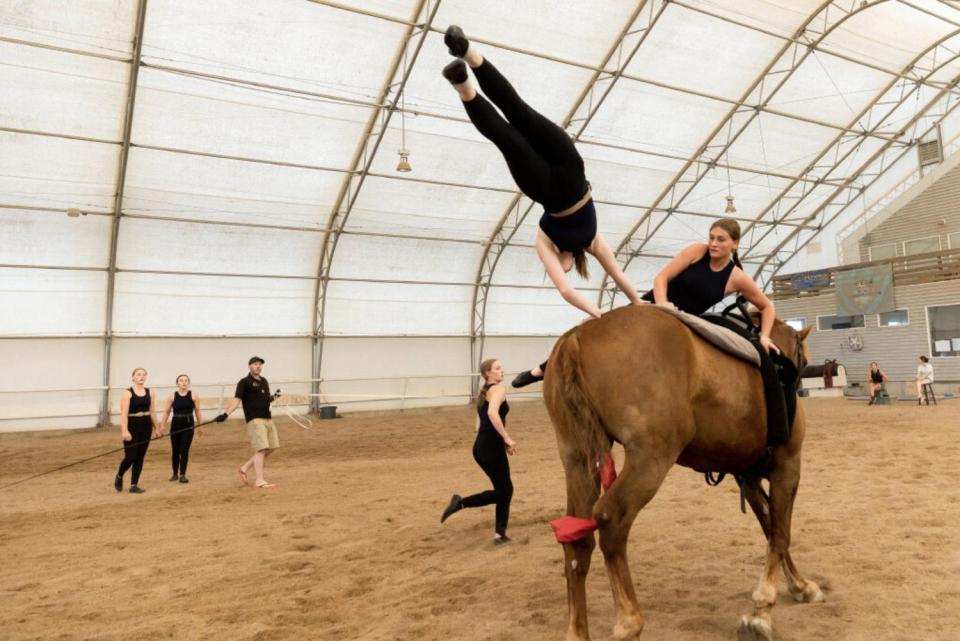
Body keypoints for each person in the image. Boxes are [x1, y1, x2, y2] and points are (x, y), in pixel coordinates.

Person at [441, 25, 644, 324]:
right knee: (520, 113)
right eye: (566, 266)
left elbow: (564, 288)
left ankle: (463, 87)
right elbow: (618, 276)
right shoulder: (593, 242)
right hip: (571, 167)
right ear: (574, 262)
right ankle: (468, 50)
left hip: (546, 188)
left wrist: (597, 313)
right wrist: (638, 303)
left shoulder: (545, 241)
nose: (560, 268)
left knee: (508, 140)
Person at [513, 218, 780, 387]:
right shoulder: (696, 252)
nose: (713, 243)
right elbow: (661, 277)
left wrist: (765, 336)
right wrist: (662, 306)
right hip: (651, 307)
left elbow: (767, 306)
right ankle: (542, 369)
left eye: (720, 240)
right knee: (592, 326)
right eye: (711, 237)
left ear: (734, 244)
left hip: (687, 323)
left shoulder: (737, 278)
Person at [440, 358, 516, 544]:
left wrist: (499, 439)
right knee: (505, 491)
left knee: (504, 489)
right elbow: (492, 414)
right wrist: (506, 438)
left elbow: (478, 425)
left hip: (481, 447)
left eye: (501, 367)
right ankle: (461, 502)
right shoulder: (498, 390)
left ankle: (500, 534)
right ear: (487, 373)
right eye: (497, 368)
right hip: (490, 447)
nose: (502, 371)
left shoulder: (484, 393)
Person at [216, 356, 279, 489]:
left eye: (260, 364)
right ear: (249, 366)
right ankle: (259, 480)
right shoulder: (244, 382)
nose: (258, 366)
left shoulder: (264, 381)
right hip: (255, 420)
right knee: (261, 448)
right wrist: (226, 414)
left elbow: (266, 400)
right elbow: (236, 400)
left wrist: (274, 397)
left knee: (272, 447)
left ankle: (244, 468)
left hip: (268, 418)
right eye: (255, 364)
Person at [114, 367, 161, 494]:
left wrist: (157, 428)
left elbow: (152, 412)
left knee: (140, 457)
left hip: (146, 426)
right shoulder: (127, 393)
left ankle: (134, 485)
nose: (141, 377)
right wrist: (124, 431)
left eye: (144, 375)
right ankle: (119, 475)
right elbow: (124, 414)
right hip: (132, 425)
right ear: (133, 377)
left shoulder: (150, 393)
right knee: (130, 457)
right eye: (138, 374)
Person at [160, 374, 204, 483]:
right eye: (181, 380)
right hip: (176, 424)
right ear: (177, 383)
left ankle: (182, 474)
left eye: (186, 380)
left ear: (188, 383)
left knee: (184, 450)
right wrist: (162, 425)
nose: (184, 382)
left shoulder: (194, 395)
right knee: (175, 450)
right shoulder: (172, 396)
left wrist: (200, 426)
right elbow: (166, 412)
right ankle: (175, 474)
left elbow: (198, 411)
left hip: (188, 425)